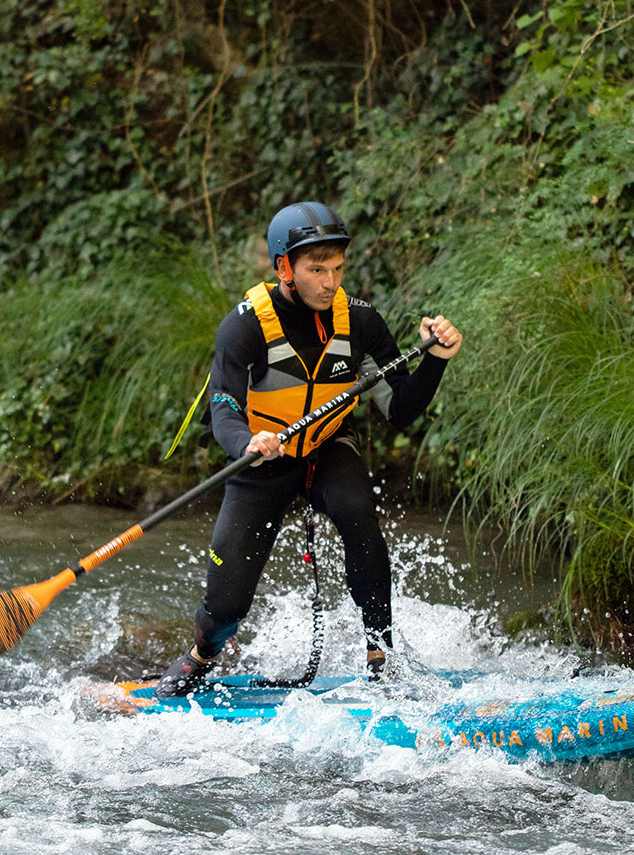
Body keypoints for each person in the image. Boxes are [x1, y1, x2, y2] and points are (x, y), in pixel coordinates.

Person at [155, 201, 462, 698]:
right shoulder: (245, 325)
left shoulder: (361, 322)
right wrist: (247, 442)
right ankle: (201, 656)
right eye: (316, 270)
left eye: (337, 269)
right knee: (227, 601)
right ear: (284, 268)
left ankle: (379, 654)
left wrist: (436, 360)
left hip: (326, 446)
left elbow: (400, 410)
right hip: (261, 457)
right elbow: (223, 408)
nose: (330, 282)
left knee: (356, 509)